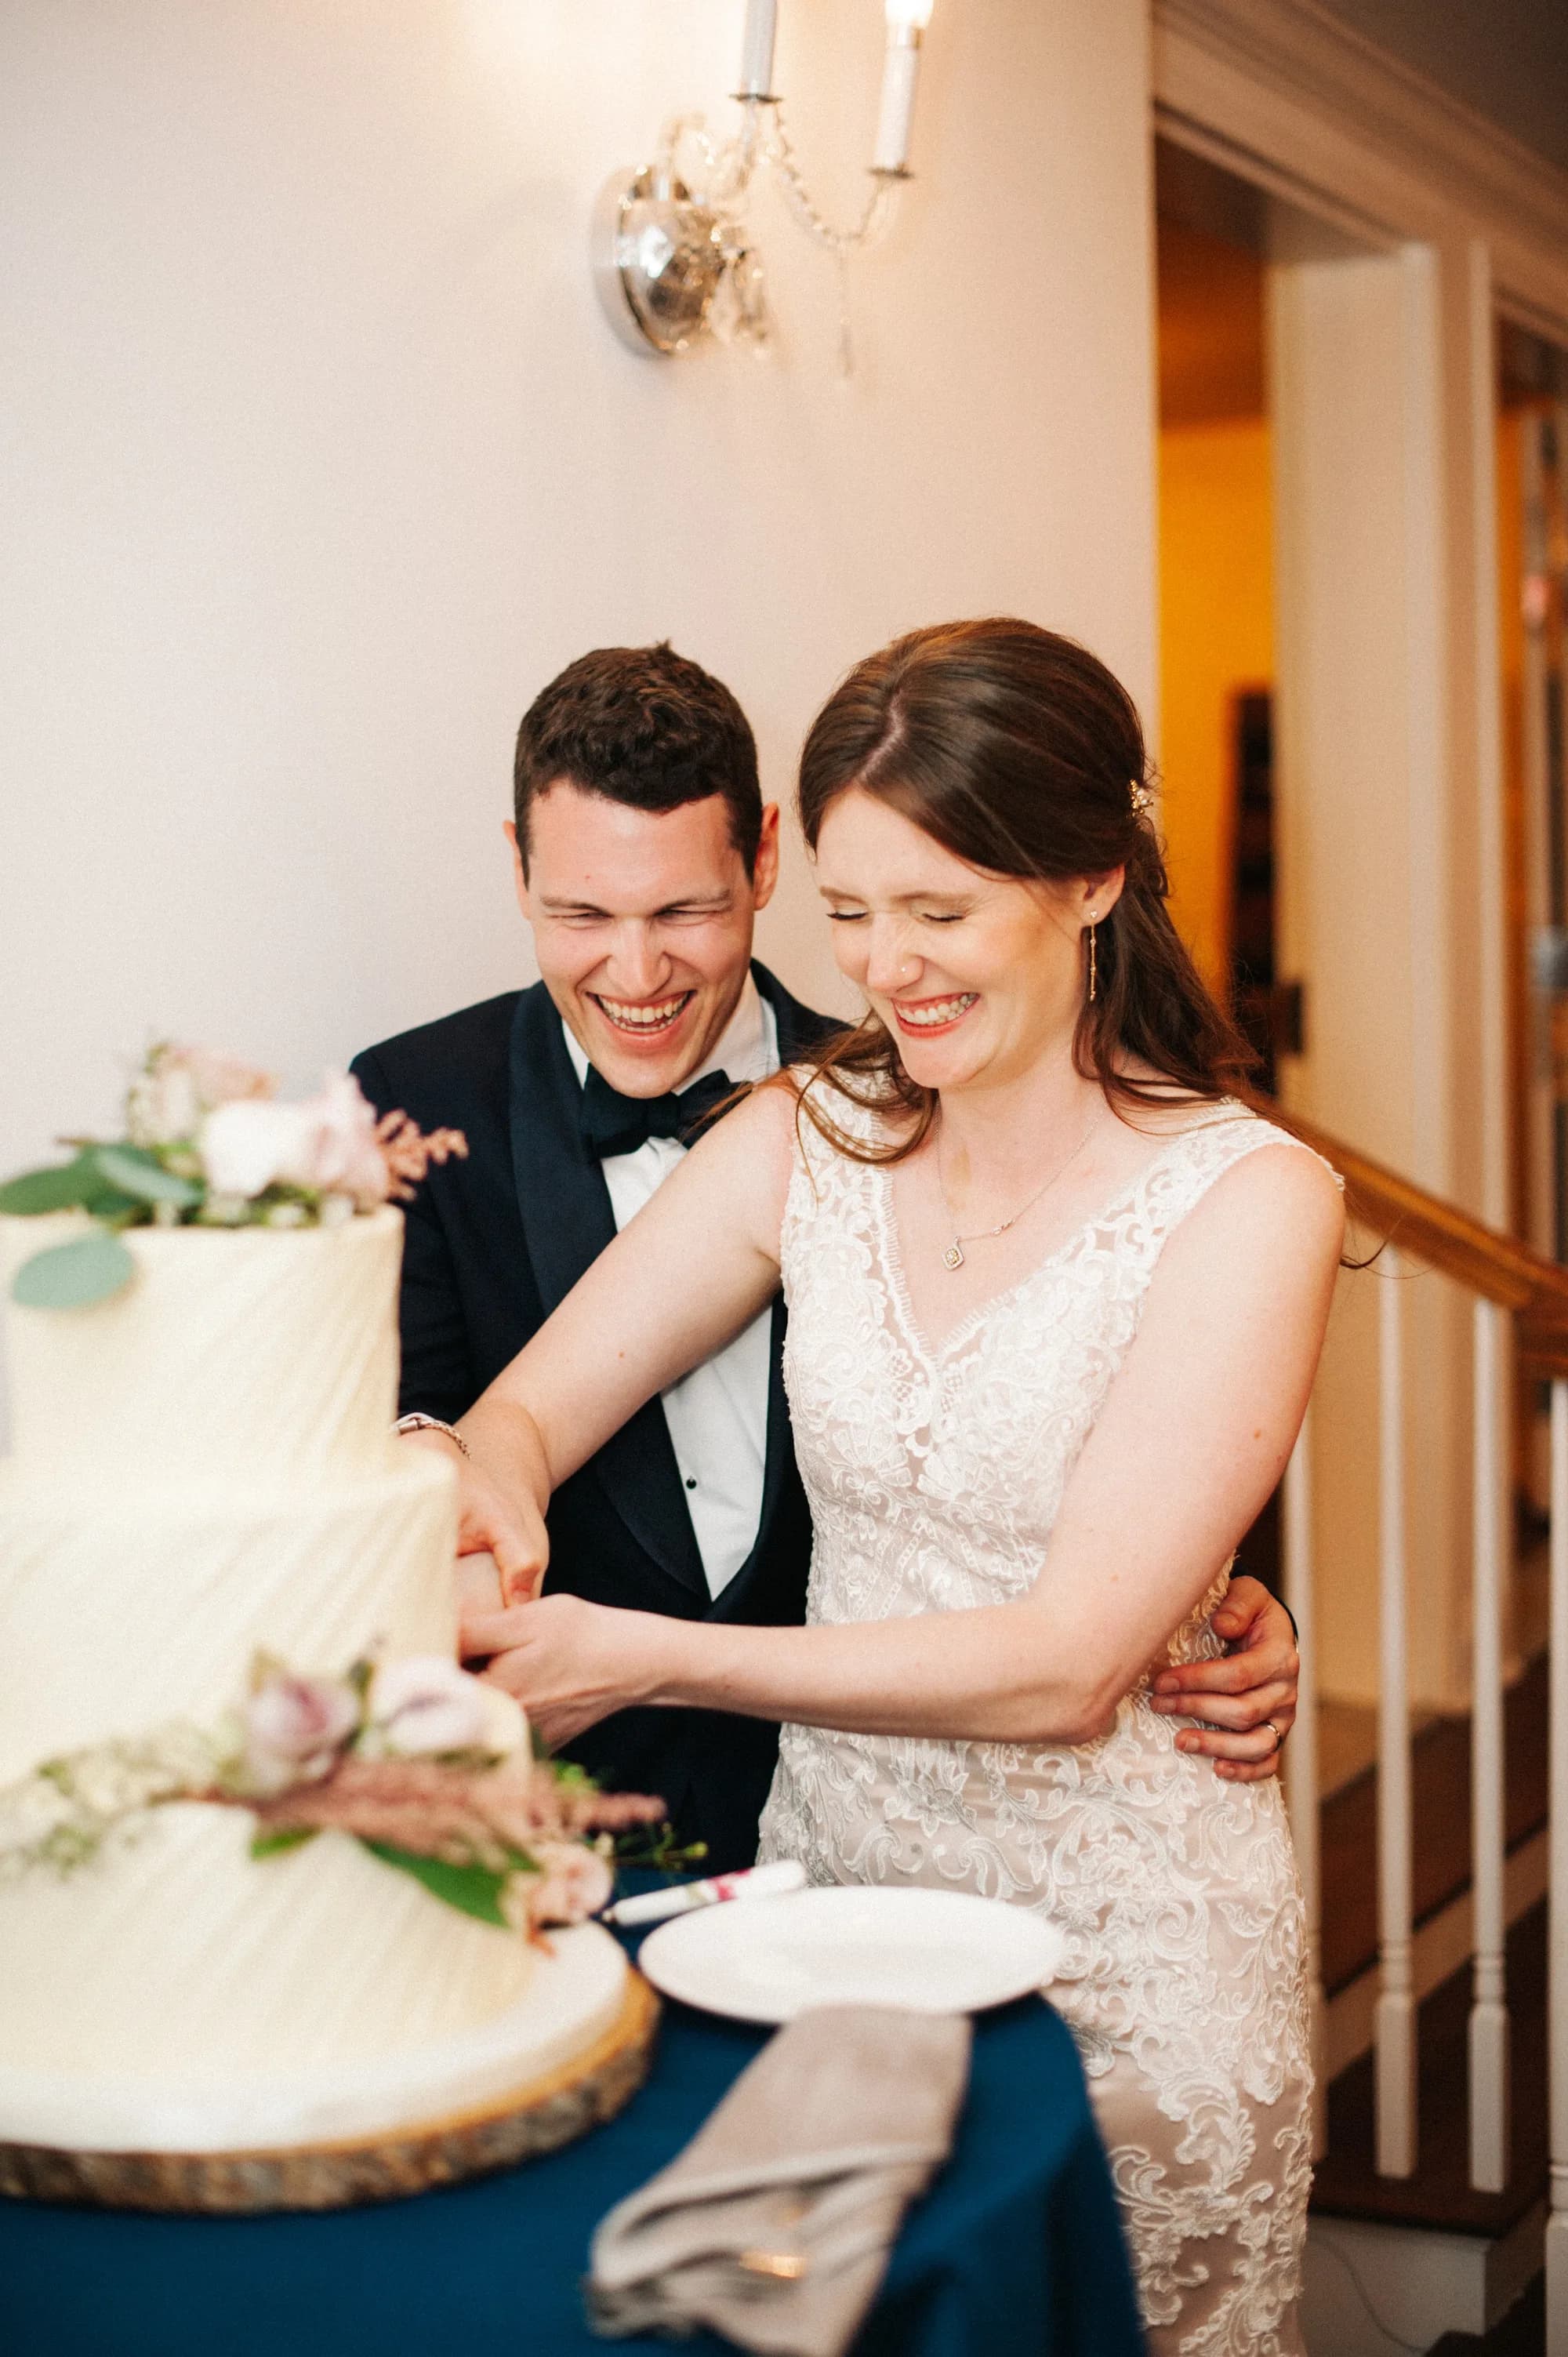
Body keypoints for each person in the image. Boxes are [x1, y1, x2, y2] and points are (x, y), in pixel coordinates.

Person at [375, 641, 1305, 1889]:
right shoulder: (804, 1129)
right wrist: (466, 1472)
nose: (883, 968)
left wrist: (644, 1655)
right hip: (827, 1882)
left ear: (1093, 880)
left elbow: (1079, 1657)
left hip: (1126, 1908)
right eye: (853, 915)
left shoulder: (1253, 1196)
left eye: (938, 912)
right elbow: (518, 1423)